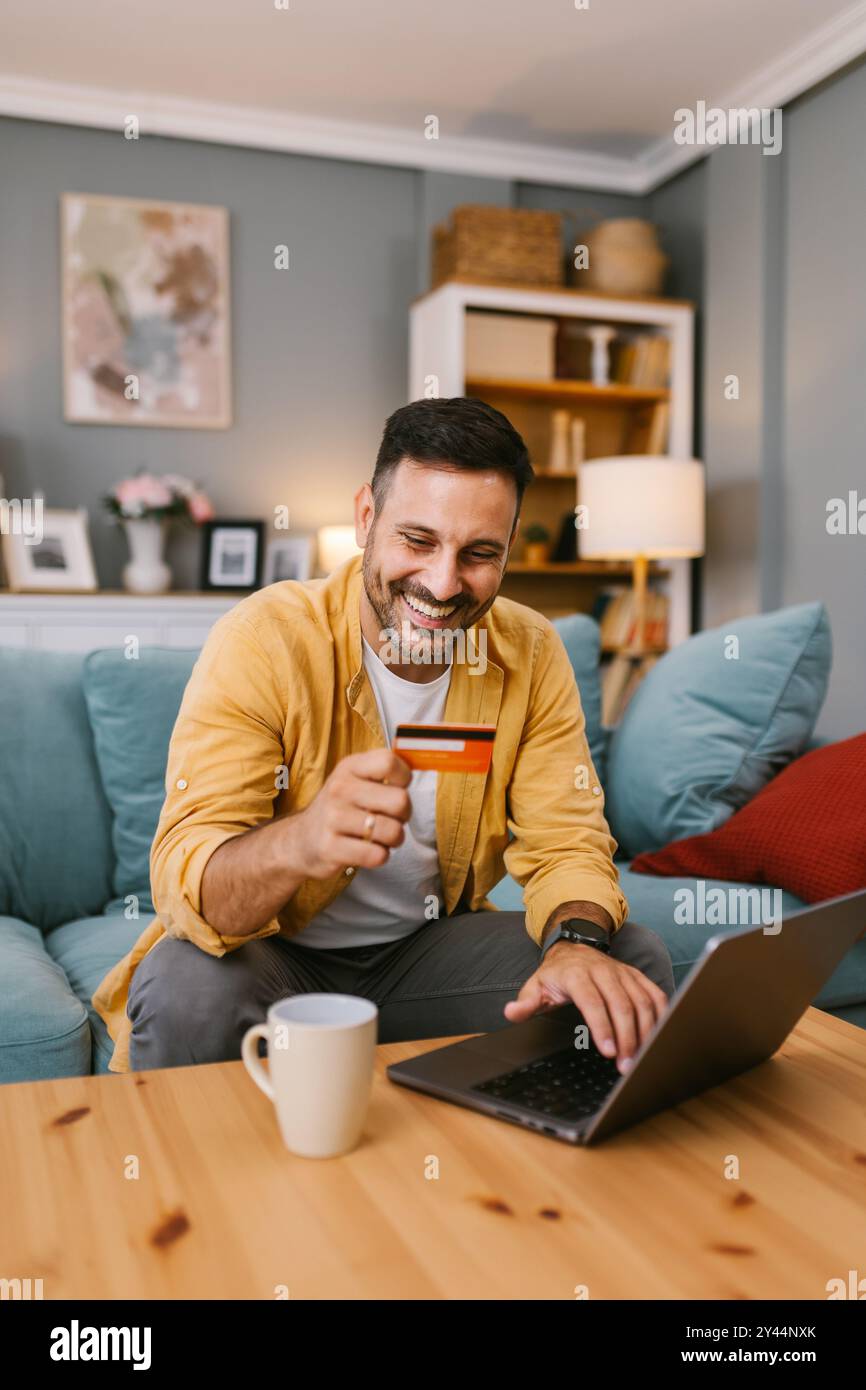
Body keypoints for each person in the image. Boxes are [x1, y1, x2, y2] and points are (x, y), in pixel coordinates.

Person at [93, 397, 674, 1075]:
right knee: (187, 990)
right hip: (274, 962)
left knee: (622, 962)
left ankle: (537, 1158)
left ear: (509, 547)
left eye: (479, 553)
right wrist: (303, 841)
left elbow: (567, 842)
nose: (442, 581)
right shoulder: (264, 639)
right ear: (366, 518)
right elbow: (189, 877)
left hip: (425, 958)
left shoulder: (532, 653)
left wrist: (574, 942)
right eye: (418, 540)